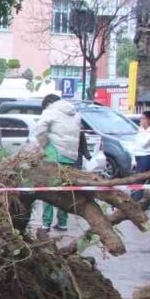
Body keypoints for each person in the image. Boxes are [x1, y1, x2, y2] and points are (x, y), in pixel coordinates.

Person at [31, 93, 85, 232]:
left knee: (48, 190)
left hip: (53, 154)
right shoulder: (75, 113)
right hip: (70, 155)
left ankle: (46, 223)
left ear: (48, 103)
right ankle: (62, 223)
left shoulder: (50, 111)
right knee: (65, 190)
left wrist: (44, 144)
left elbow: (39, 130)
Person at [129, 111, 150, 201]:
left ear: (149, 120)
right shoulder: (140, 130)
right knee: (135, 179)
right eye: (141, 118)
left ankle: (137, 200)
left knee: (140, 179)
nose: (141, 120)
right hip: (137, 155)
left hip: (146, 155)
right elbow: (135, 144)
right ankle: (135, 198)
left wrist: (143, 134)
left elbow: (144, 144)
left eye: (143, 118)